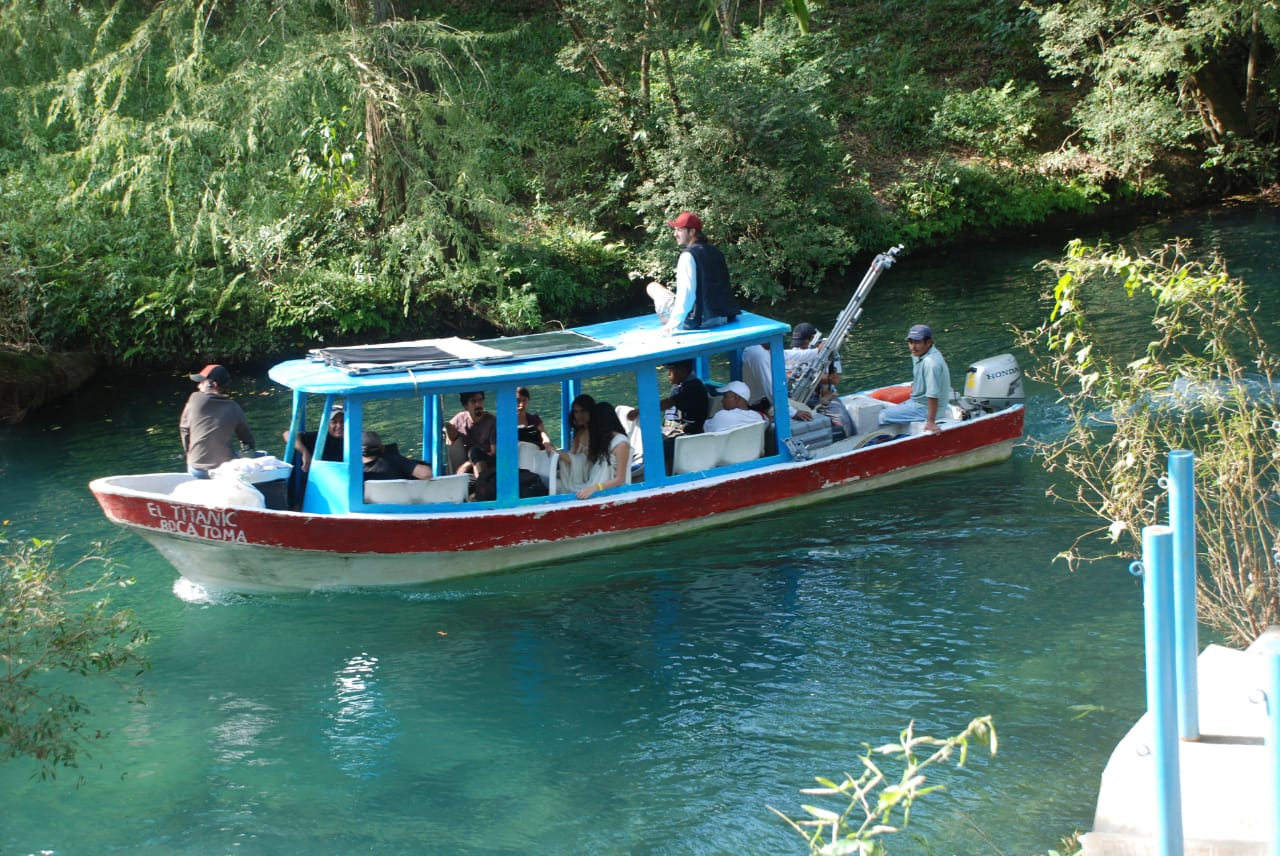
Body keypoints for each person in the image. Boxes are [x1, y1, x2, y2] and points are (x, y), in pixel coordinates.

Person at [646, 211, 739, 335]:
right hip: (724, 316)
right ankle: (667, 318)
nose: (675, 234)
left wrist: (674, 322)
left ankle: (666, 319)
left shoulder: (688, 256)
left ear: (692, 232)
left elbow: (687, 292)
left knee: (653, 287)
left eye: (679, 230)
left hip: (699, 321)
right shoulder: (716, 251)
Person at [180, 364, 256, 479]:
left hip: (196, 468)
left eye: (201, 382)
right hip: (224, 470)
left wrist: (189, 454)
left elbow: (184, 429)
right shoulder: (234, 407)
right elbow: (247, 441)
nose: (198, 386)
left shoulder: (195, 399)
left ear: (213, 385)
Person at [879, 324, 951, 435]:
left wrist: (931, 421)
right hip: (917, 402)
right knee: (888, 412)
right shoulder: (918, 354)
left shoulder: (931, 362)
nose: (913, 346)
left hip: (927, 408)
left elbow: (933, 395)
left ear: (928, 342)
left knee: (882, 416)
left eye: (917, 342)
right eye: (910, 342)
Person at [570, 402, 631, 500]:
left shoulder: (621, 444)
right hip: (595, 485)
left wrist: (594, 488)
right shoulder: (606, 440)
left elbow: (620, 479)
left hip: (607, 492)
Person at [444, 391, 496, 473]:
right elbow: (448, 429)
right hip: (469, 467)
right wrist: (448, 432)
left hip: (489, 464)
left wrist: (468, 464)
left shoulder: (492, 422)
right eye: (473, 401)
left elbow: (494, 454)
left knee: (474, 451)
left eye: (480, 400)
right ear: (465, 405)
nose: (478, 404)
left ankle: (482, 483)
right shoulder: (459, 419)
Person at [554, 393, 596, 488]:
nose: (579, 415)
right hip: (576, 472)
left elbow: (585, 461)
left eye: (583, 411)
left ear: (590, 411)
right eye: (576, 412)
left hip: (591, 475)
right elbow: (572, 455)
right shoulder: (580, 432)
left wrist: (556, 451)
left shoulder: (597, 433)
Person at [287, 405, 345, 472]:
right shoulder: (319, 437)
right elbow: (288, 434)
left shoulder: (356, 439)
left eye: (342, 421)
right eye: (334, 422)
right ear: (327, 424)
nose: (339, 426)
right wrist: (304, 452)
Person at [362, 431, 433, 481]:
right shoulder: (393, 460)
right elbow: (426, 474)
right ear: (382, 448)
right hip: (402, 501)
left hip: (369, 501)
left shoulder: (356, 471)